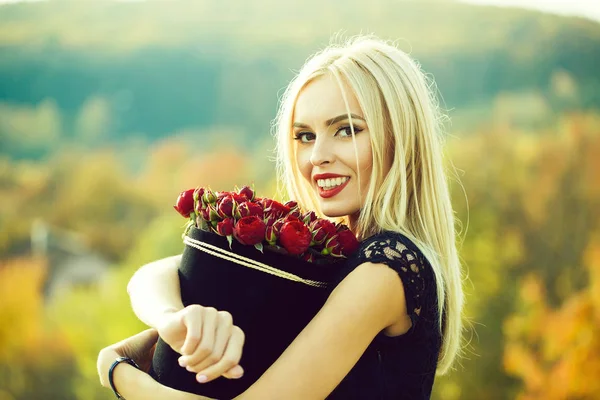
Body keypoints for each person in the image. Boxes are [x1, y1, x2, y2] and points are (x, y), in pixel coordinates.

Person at [97, 34, 464, 400]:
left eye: (346, 130)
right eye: (305, 136)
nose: (317, 155)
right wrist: (172, 321)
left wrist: (118, 373)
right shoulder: (344, 254)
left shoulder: (387, 267)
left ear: (399, 137)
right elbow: (154, 274)